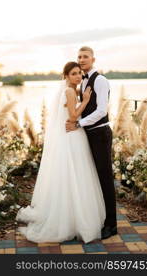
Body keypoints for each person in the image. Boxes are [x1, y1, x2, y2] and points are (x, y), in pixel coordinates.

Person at [16, 61, 105, 243]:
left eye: (79, 73)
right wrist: (86, 100)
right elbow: (73, 116)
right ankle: (74, 219)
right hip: (72, 135)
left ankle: (69, 216)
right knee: (76, 173)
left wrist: (83, 97)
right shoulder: (70, 91)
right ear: (65, 76)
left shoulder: (68, 90)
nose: (78, 76)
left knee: (70, 174)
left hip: (69, 135)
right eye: (73, 73)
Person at [66, 47, 117, 240]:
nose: (81, 59)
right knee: (93, 178)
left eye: (85, 56)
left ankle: (111, 225)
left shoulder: (101, 80)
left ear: (93, 59)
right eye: (79, 57)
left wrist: (79, 123)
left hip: (100, 134)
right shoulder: (82, 81)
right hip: (88, 134)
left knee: (105, 178)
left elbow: (102, 110)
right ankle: (98, 218)